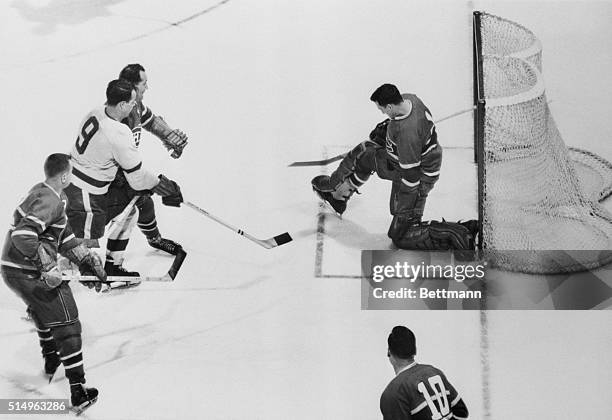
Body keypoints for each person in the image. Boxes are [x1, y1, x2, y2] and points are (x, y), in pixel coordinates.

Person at [311, 84, 477, 250]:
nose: (382, 112)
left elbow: (411, 178)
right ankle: (337, 195)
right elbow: (403, 128)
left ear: (390, 106)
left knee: (401, 236)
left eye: (382, 109)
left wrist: (403, 208)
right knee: (365, 152)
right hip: (401, 162)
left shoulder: (407, 134)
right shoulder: (410, 99)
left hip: (419, 176)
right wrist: (389, 135)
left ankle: (458, 234)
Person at [1, 154, 106, 413]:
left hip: (13, 270)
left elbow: (64, 236)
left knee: (47, 312)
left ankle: (51, 360)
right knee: (68, 321)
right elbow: (23, 236)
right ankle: (78, 392)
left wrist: (86, 261)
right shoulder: (49, 198)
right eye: (71, 172)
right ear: (64, 176)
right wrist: (47, 267)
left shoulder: (49, 194)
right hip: (26, 272)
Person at [65, 79, 183, 277]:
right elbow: (137, 179)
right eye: (132, 103)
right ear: (122, 105)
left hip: (71, 185)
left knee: (133, 205)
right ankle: (105, 266)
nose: (134, 106)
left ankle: (112, 264)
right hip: (87, 199)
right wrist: (165, 186)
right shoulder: (119, 133)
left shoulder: (96, 112)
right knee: (75, 255)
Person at [113, 63, 188, 255]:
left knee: (144, 204)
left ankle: (154, 240)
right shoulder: (120, 116)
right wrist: (157, 184)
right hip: (109, 177)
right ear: (132, 86)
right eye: (144, 83)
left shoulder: (134, 105)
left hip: (125, 172)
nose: (147, 88)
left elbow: (151, 120)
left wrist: (169, 134)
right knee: (118, 215)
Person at [380, 326, 469, 420]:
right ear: (415, 350)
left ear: (389, 352)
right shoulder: (434, 372)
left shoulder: (394, 392)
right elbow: (462, 413)